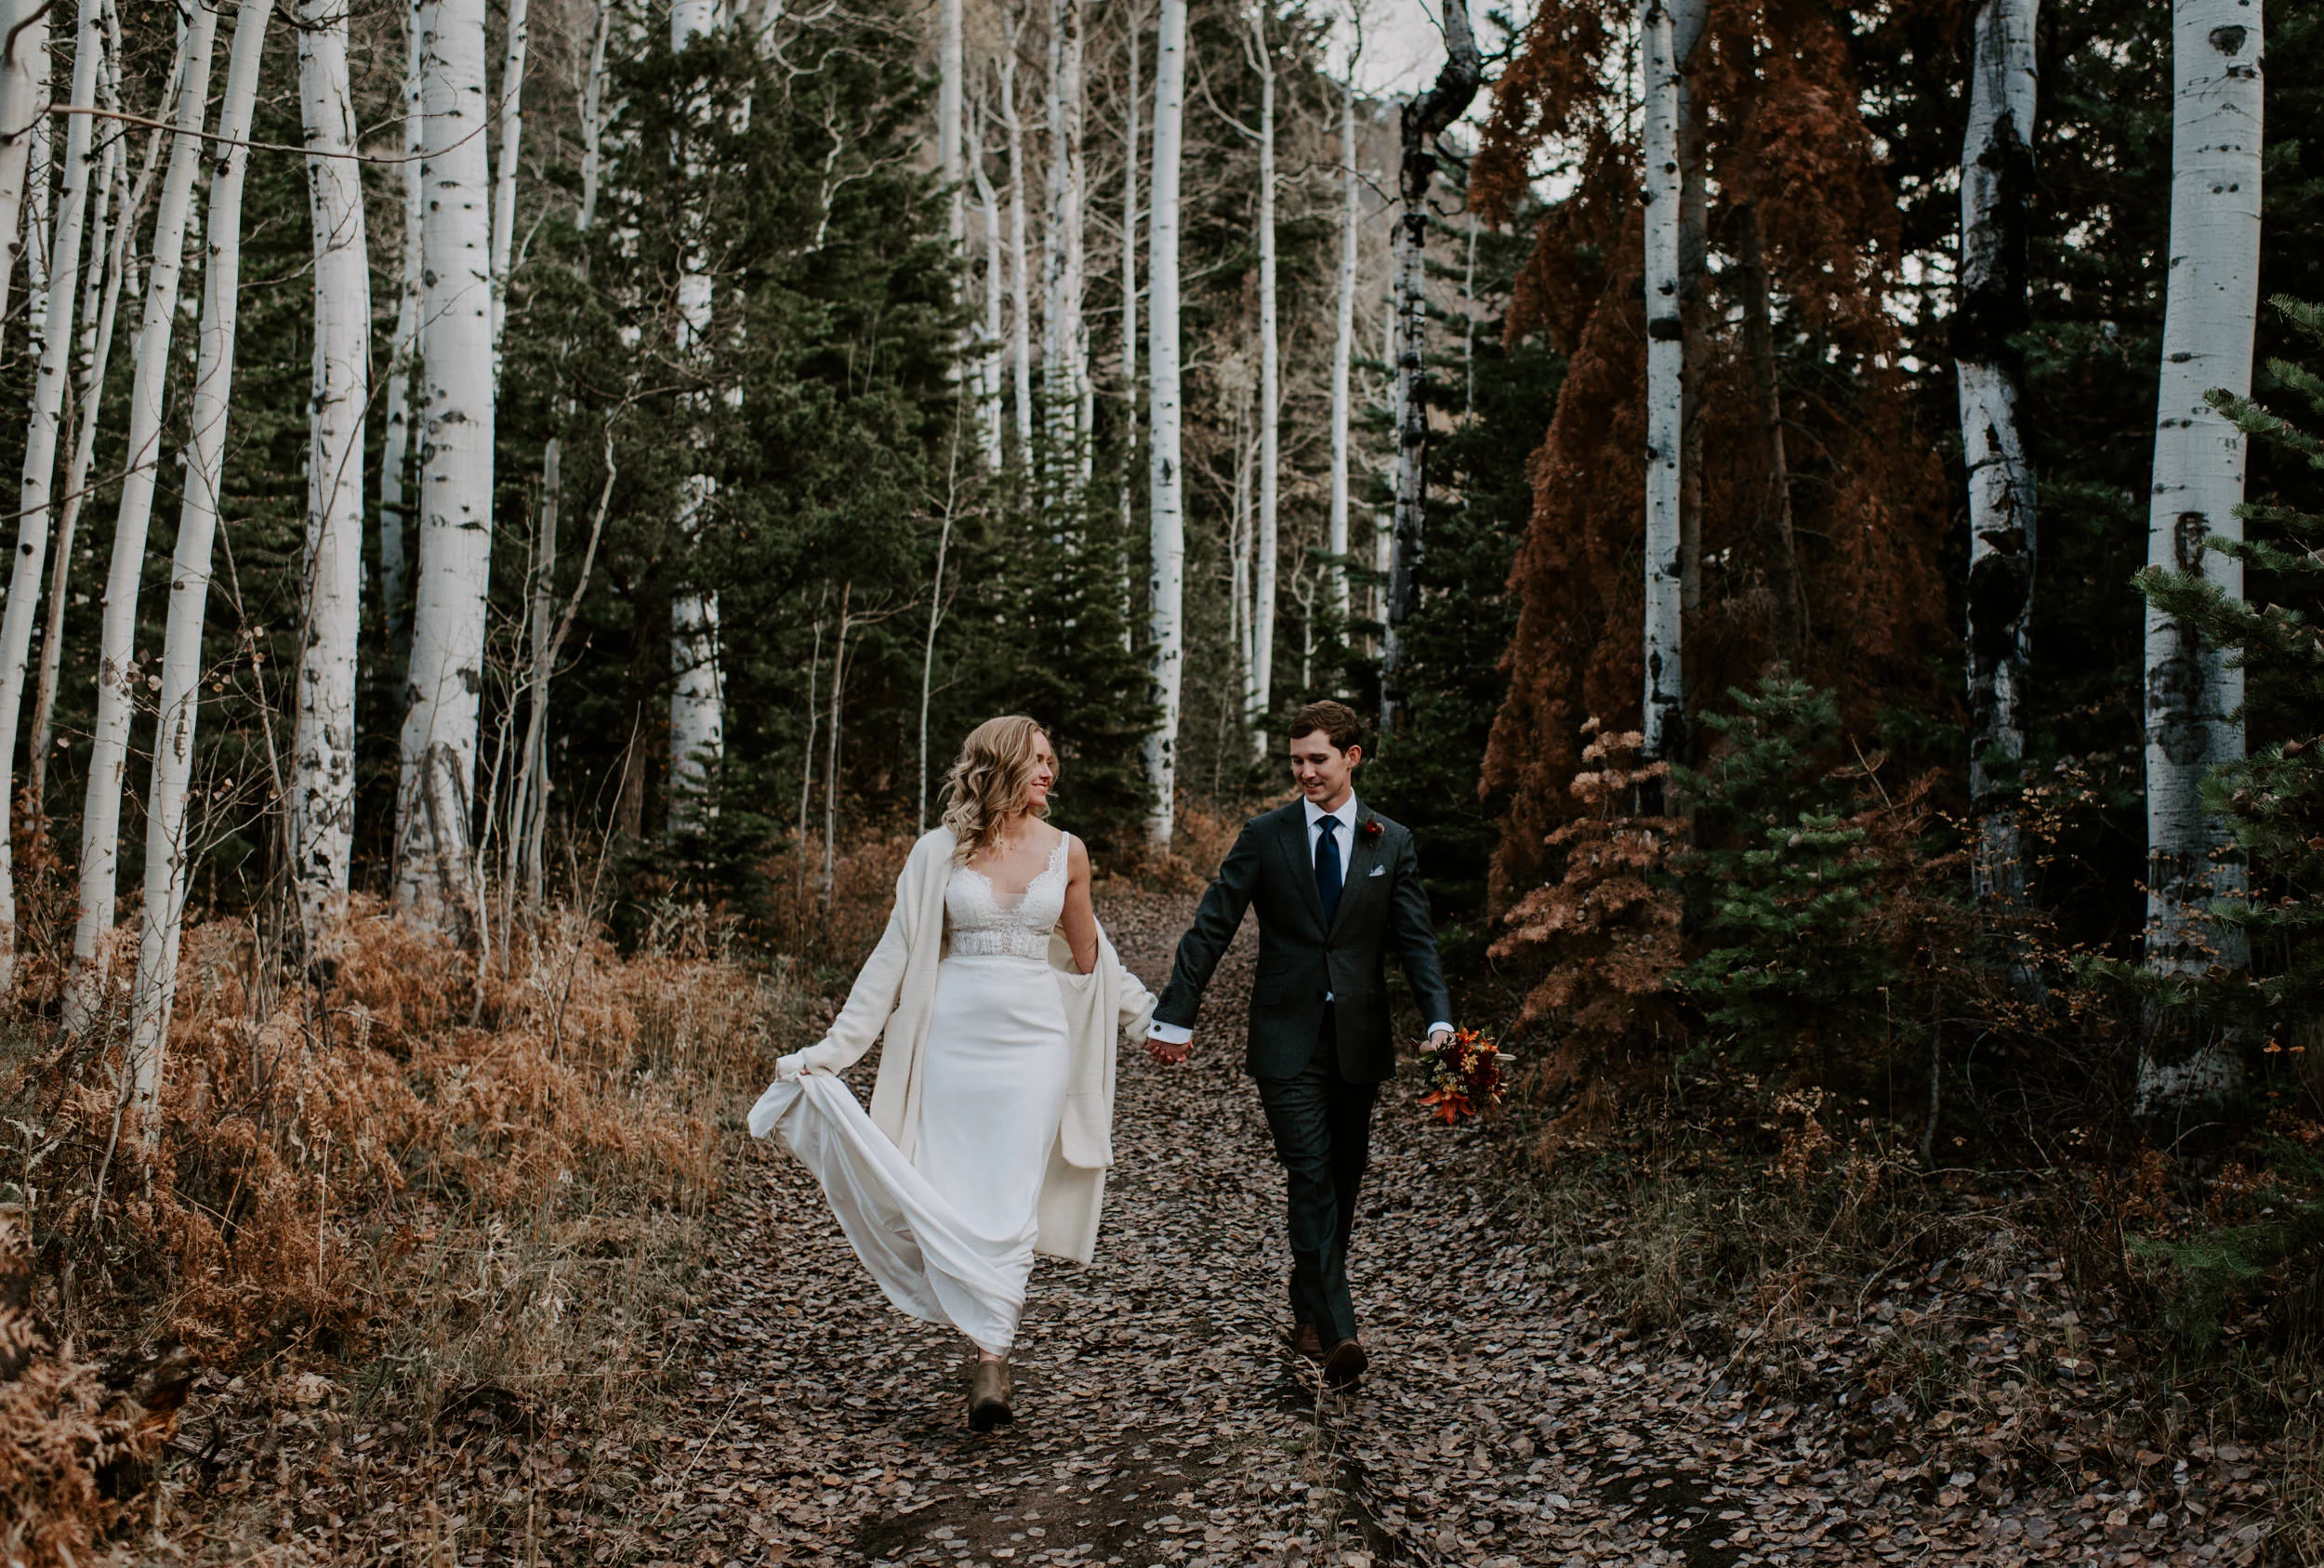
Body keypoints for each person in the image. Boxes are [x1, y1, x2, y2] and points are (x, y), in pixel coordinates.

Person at [747, 717, 1155, 1430]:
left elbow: (1093, 959)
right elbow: (892, 958)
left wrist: (1147, 1018)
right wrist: (834, 1050)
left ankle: (992, 1357)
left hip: (1036, 1047)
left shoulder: (1069, 852)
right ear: (997, 765)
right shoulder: (937, 853)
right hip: (952, 1043)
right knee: (959, 1190)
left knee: (1013, 1193)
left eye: (1052, 760)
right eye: (1036, 760)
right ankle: (981, 1337)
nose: (1049, 772)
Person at [1146, 700, 1454, 1389]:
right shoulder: (1266, 836)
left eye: (1318, 759)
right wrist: (1176, 1013)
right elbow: (1211, 926)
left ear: (1352, 756)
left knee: (1342, 1178)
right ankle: (1341, 1328)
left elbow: (1416, 942)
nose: (1305, 772)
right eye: (1296, 761)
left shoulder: (1389, 841)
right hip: (1284, 1038)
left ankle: (1307, 1301)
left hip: (1358, 1040)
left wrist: (1439, 1020)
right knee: (1309, 1170)